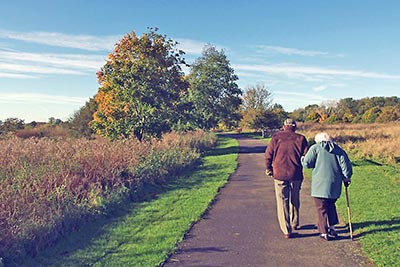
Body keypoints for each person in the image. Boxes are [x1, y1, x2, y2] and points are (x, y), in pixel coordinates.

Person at [301, 132, 352, 241]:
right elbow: (346, 168)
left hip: (319, 185)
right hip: (334, 185)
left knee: (321, 208)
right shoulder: (339, 150)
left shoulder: (315, 148)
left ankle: (324, 232)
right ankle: (332, 227)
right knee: (331, 205)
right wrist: (346, 178)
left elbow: (307, 163)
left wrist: (302, 159)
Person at [265, 119, 308, 238]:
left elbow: (268, 154)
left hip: (279, 174)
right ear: (295, 127)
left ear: (284, 126)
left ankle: (286, 229)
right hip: (296, 174)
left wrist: (268, 168)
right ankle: (295, 222)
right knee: (295, 198)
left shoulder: (276, 137)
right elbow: (306, 156)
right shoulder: (301, 138)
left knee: (282, 201)